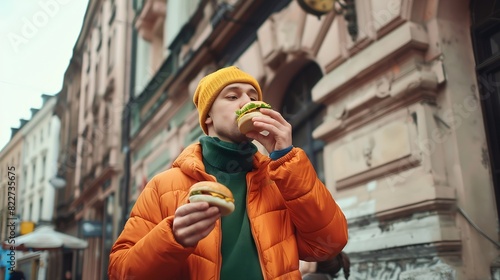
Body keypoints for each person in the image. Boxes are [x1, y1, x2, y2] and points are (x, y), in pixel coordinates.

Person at [108, 66, 348, 279]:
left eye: (253, 97)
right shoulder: (163, 186)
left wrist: (285, 157)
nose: (246, 102)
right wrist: (172, 237)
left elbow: (329, 244)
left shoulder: (281, 178)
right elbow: (121, 272)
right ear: (208, 115)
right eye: (232, 96)